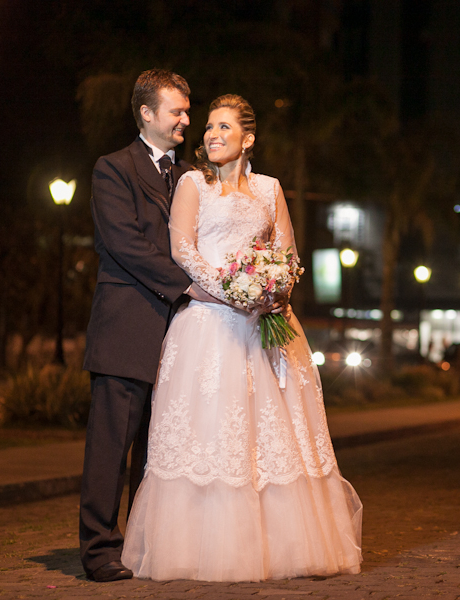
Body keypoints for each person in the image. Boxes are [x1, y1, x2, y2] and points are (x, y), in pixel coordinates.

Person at [122, 94, 363, 582]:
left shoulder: (271, 189)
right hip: (208, 325)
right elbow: (183, 250)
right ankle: (199, 544)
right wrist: (231, 291)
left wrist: (274, 291)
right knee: (213, 433)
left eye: (223, 127)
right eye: (208, 126)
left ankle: (281, 547)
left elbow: (287, 255)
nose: (210, 134)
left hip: (267, 328)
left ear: (248, 138)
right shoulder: (193, 184)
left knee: (271, 436)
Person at [80, 69, 217, 583]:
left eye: (187, 110)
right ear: (146, 113)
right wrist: (190, 285)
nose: (187, 119)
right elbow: (125, 244)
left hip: (184, 336)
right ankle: (99, 551)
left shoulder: (191, 178)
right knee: (111, 448)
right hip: (127, 328)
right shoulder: (112, 169)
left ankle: (141, 546)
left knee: (157, 450)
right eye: (177, 111)